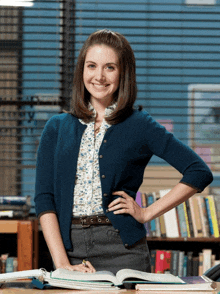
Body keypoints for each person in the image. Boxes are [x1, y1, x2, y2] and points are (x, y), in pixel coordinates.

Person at [34, 29, 213, 275]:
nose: (99, 76)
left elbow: (198, 171)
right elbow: (45, 199)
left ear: (123, 73)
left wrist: (147, 212)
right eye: (91, 66)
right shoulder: (56, 127)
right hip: (68, 248)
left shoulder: (139, 124)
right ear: (82, 71)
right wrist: (62, 263)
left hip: (123, 250)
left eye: (110, 67)